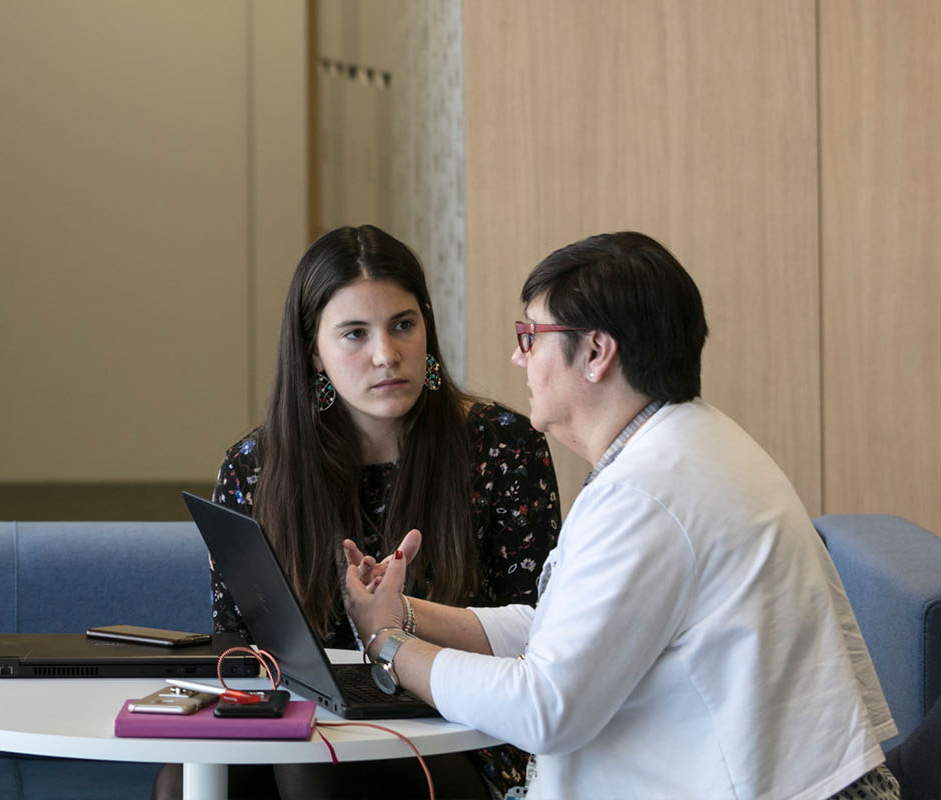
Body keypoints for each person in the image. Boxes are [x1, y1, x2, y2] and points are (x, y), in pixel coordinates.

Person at [344, 231, 899, 798]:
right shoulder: (677, 446)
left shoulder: (649, 490)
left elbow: (545, 709)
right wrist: (404, 612)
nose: (518, 356)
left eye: (530, 336)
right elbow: (562, 629)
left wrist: (390, 647)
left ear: (594, 352)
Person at [155, 225, 562, 800]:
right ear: (313, 354)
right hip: (311, 723)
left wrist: (401, 624)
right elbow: (239, 645)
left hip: (466, 734)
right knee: (187, 779)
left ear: (427, 328)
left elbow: (543, 631)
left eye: (403, 325)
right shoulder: (256, 466)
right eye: (354, 334)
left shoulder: (501, 445)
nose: (385, 355)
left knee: (312, 766)